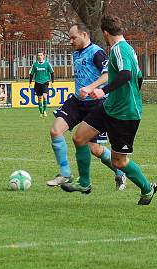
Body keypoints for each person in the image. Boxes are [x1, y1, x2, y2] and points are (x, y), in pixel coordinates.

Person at [61, 16, 157, 205]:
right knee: (80, 138)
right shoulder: (122, 49)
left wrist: (103, 90)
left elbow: (126, 74)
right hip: (109, 107)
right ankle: (84, 183)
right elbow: (138, 77)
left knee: (119, 162)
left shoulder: (120, 49)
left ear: (105, 32)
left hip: (125, 114)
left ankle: (147, 189)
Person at [46, 24, 126, 190]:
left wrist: (91, 88)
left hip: (95, 104)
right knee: (55, 131)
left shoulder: (97, 52)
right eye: (69, 38)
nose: (71, 41)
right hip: (77, 101)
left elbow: (107, 75)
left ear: (84, 34)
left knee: (94, 149)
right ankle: (65, 173)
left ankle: (120, 172)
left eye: (73, 37)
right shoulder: (77, 53)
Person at [29, 51, 54, 117]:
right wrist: (30, 83)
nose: (39, 56)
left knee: (45, 97)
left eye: (41, 55)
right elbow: (31, 74)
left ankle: (45, 111)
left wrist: (52, 82)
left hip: (45, 82)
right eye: (38, 55)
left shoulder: (47, 64)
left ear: (43, 56)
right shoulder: (35, 65)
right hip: (37, 83)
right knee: (39, 98)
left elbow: (52, 73)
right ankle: (41, 112)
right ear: (37, 57)